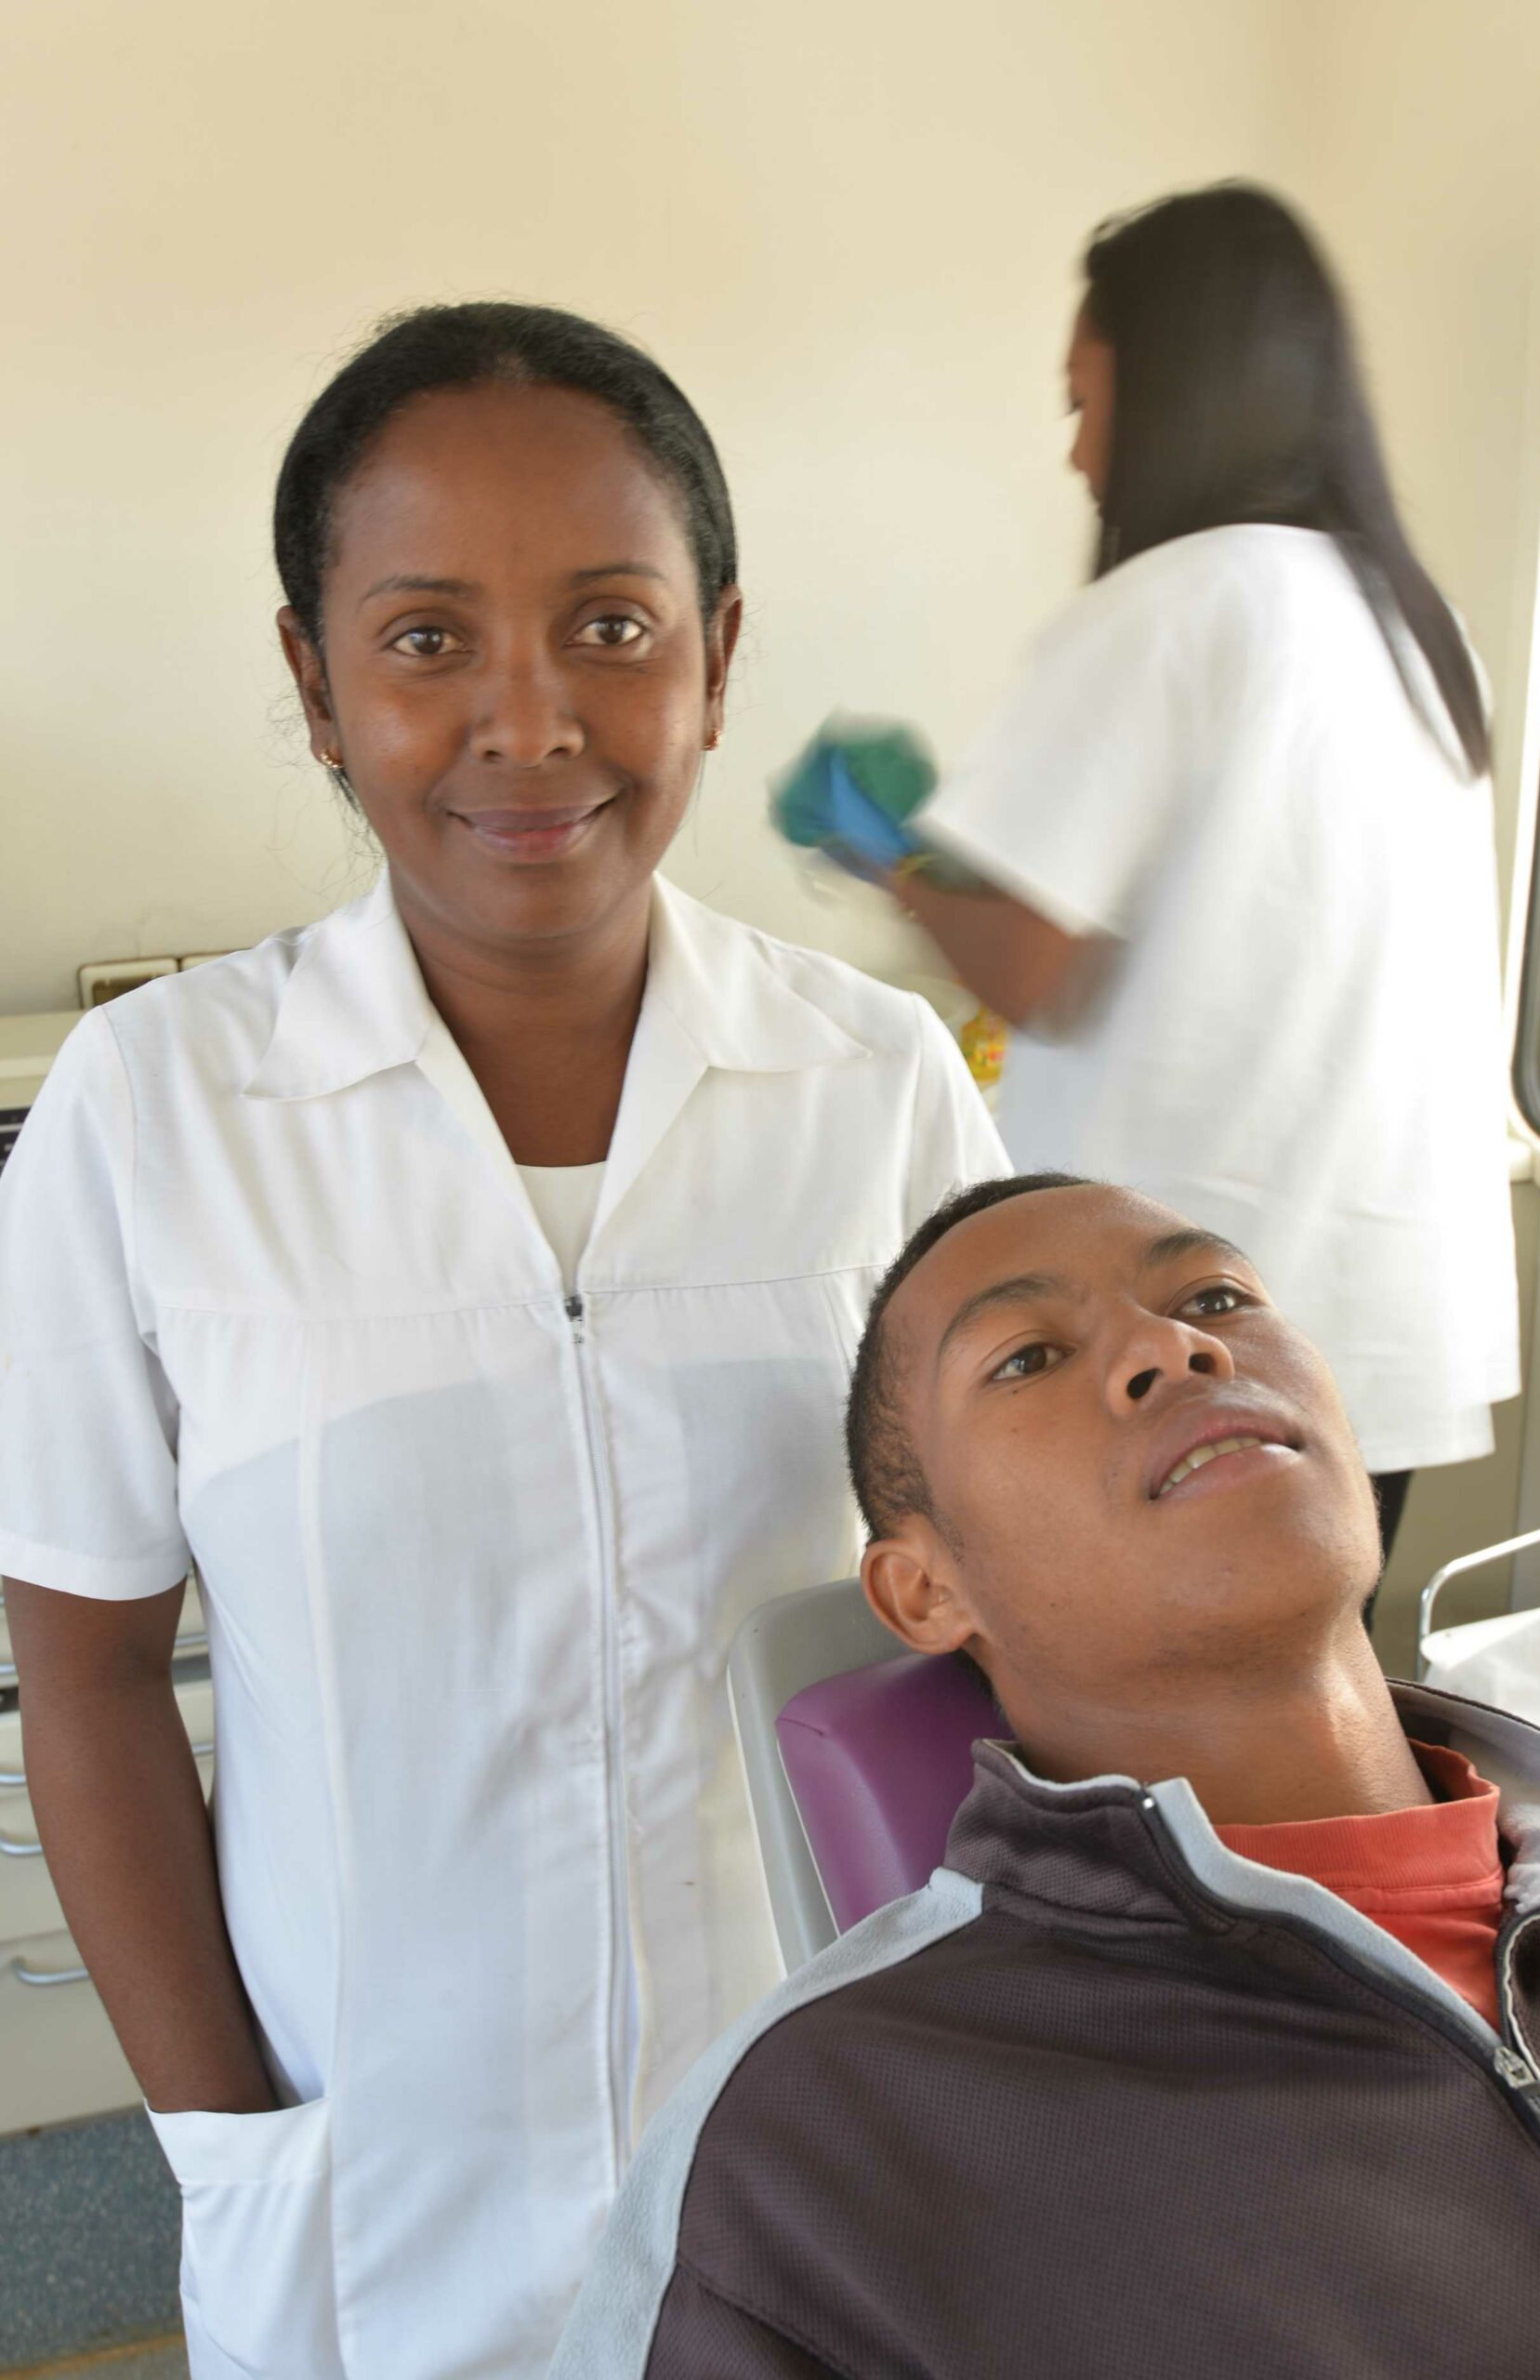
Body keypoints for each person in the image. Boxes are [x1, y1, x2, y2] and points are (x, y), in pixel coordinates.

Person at [0, 303, 1006, 2380]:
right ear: (315, 678)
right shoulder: (156, 1112)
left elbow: (1009, 1613)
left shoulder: (875, 1084)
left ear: (719, 653)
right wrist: (227, 2137)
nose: (530, 724)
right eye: (429, 637)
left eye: (612, 627)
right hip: (371, 2207)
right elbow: (86, 1668)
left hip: (816, 2160)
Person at [551, 1173, 1540, 2380]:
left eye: (1214, 1298)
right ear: (924, 1590)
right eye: (1028, 1357)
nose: (1173, 1346)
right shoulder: (817, 2155)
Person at [864, 184, 1519, 1559]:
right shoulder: (1413, 625)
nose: (1075, 450)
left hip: (1173, 1342)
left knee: (1137, 1681)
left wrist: (882, 855)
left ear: (1168, 392)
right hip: (1377, 1320)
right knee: (1306, 1666)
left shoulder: (1167, 606)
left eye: (1083, 400)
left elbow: (1029, 971)